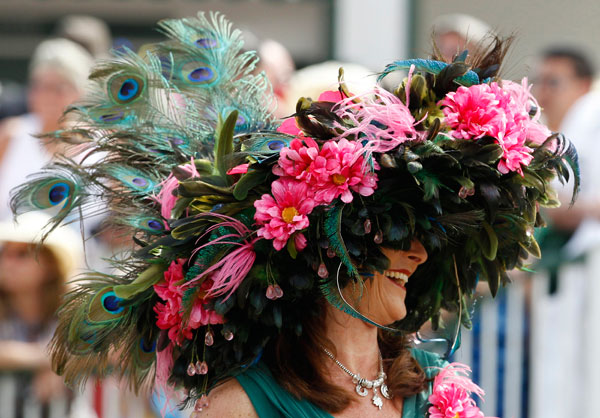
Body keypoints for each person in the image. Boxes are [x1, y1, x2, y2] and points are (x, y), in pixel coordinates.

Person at [10, 12, 577, 418]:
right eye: (398, 229)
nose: (419, 252)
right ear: (328, 246)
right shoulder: (242, 406)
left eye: (428, 234)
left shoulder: (433, 390)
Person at [0, 37, 93, 219]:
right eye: (41, 86)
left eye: (59, 88)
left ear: (79, 92)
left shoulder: (99, 144)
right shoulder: (10, 135)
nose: (48, 96)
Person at [0, 212, 83, 413]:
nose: (8, 263)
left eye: (22, 255)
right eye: (5, 253)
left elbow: (110, 351)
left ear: (51, 264)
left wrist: (61, 362)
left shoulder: (75, 311)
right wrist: (51, 361)